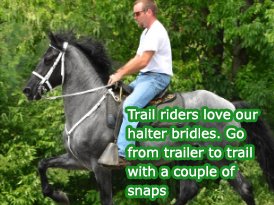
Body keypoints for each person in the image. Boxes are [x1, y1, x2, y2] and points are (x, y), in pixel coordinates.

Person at [107, 0, 173, 167]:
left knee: (130, 106)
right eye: (134, 14)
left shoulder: (156, 31)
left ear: (149, 12)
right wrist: (118, 74)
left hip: (157, 78)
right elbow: (137, 59)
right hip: (144, 78)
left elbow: (143, 61)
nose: (134, 17)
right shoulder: (145, 33)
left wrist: (121, 73)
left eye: (137, 13)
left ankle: (123, 154)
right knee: (115, 95)